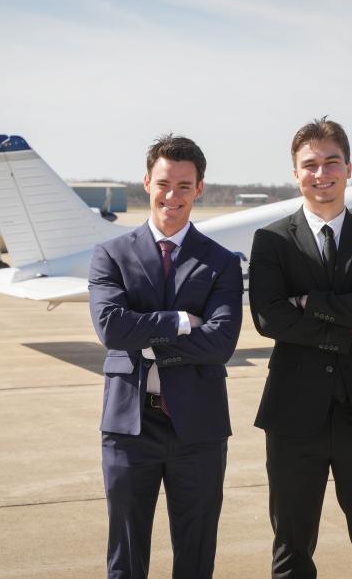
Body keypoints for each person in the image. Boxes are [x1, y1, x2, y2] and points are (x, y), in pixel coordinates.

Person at [249, 117, 352, 578]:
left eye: (331, 162)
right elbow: (268, 318)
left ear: (349, 167)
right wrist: (343, 330)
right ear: (296, 174)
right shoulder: (272, 240)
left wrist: (310, 303)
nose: (322, 174)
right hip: (294, 415)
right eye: (310, 165)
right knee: (292, 545)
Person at [88, 134, 243, 579]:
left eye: (183, 186)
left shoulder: (221, 262)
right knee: (126, 556)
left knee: (195, 555)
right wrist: (179, 321)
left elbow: (221, 343)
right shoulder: (111, 255)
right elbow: (111, 328)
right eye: (163, 183)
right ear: (146, 183)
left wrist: (145, 334)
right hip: (128, 426)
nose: (171, 196)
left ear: (200, 189)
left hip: (198, 428)